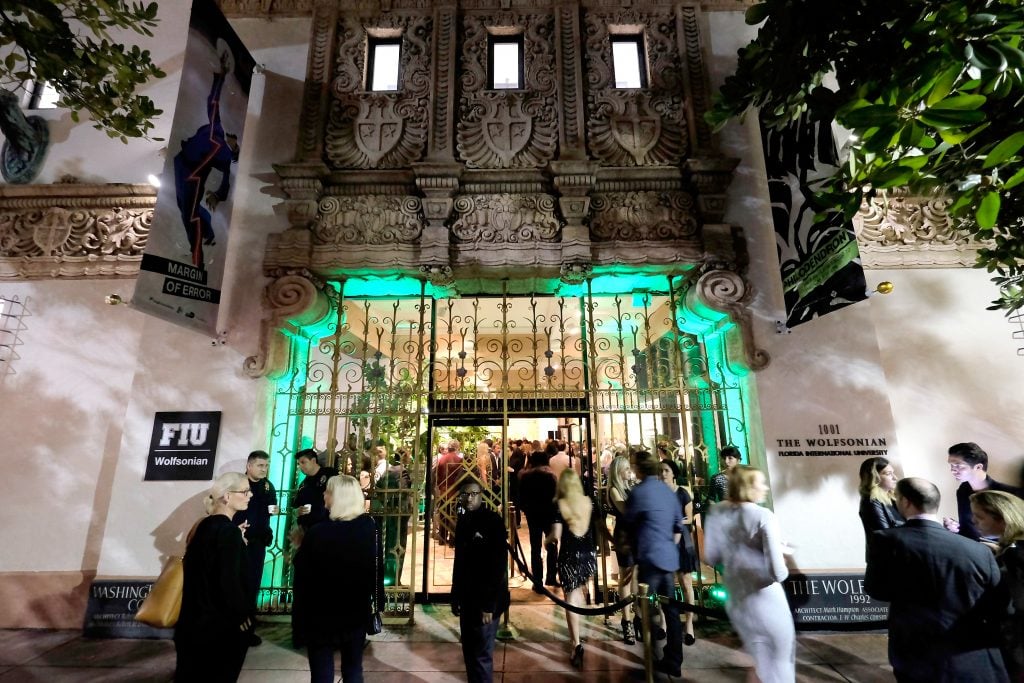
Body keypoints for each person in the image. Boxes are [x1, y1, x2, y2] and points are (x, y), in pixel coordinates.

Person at [866, 477, 1008, 683]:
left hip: (916, 652)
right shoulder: (979, 550)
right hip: (973, 654)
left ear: (905, 501)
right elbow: (999, 604)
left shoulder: (886, 540)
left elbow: (876, 589)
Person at [704, 466, 794, 683]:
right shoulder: (763, 516)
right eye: (759, 483)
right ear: (747, 487)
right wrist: (783, 556)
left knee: (761, 662)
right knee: (781, 661)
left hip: (738, 599)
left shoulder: (717, 511)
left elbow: (711, 556)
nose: (765, 488)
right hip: (766, 599)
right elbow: (777, 573)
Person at [292, 475, 384, 683]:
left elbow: (303, 579)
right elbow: (376, 568)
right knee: (353, 669)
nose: (323, 495)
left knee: (322, 672)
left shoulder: (318, 532)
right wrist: (377, 605)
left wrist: (300, 548)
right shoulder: (369, 527)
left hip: (321, 615)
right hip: (355, 612)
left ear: (337, 497)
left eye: (328, 492)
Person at [174, 472, 253, 682]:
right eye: (245, 491)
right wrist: (243, 617)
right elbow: (228, 582)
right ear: (227, 496)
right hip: (218, 629)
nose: (250, 495)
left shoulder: (204, 526)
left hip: (192, 623)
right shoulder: (228, 533)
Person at [173, 53, 240, 270]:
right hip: (180, 164)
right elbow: (213, 102)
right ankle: (208, 234)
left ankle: (197, 261)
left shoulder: (225, 154)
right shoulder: (216, 129)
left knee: (189, 216)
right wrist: (219, 78)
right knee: (183, 207)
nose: (229, 137)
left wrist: (219, 194)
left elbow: (228, 176)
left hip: (193, 177)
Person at [624, 450, 685, 678]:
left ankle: (651, 659)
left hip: (649, 558)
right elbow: (678, 524)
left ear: (639, 469)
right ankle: (674, 659)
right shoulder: (667, 492)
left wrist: (630, 556)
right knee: (671, 611)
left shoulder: (639, 493)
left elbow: (628, 524)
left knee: (648, 610)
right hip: (668, 558)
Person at [451, 480, 509, 683]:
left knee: (481, 654)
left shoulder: (492, 521)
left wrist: (489, 604)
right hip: (468, 597)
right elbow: (460, 562)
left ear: (481, 495)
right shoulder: (463, 521)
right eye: (465, 494)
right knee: (469, 651)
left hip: (485, 600)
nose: (469, 498)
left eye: (474, 494)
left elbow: (498, 565)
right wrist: (455, 594)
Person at [970, 490, 1024, 681]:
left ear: (1001, 518)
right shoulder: (1014, 548)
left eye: (979, 517)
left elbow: (1015, 606)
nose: (974, 522)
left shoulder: (1014, 555)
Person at [550, 469, 598, 668]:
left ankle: (576, 642)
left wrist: (546, 542)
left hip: (569, 554)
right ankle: (578, 636)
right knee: (578, 593)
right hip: (588, 554)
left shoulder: (560, 505)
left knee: (571, 597)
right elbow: (600, 527)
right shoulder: (589, 502)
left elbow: (556, 535)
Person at [231, 450, 279, 646]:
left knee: (252, 585)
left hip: (258, 542)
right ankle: (234, 627)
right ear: (249, 465)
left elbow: (273, 509)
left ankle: (247, 629)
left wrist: (275, 511)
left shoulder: (268, 486)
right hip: (238, 541)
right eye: (260, 465)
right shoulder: (238, 484)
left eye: (266, 465)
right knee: (236, 584)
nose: (264, 469)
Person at [944, 442, 1024, 540]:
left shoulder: (1009, 494)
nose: (952, 470)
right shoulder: (963, 491)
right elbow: (967, 529)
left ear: (978, 467)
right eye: (951, 465)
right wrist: (955, 528)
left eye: (958, 466)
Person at [660, 458, 698, 646]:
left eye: (666, 470)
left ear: (674, 473)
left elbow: (689, 518)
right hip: (664, 541)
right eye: (661, 471)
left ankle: (689, 623)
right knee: (665, 584)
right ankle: (664, 622)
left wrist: (672, 520)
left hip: (682, 541)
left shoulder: (683, 493)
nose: (663, 474)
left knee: (685, 583)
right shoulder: (658, 493)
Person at [607, 454, 638, 644]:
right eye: (626, 469)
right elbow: (627, 510)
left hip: (636, 535)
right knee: (625, 576)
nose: (630, 472)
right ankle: (627, 621)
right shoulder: (614, 490)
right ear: (618, 472)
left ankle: (637, 615)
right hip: (625, 536)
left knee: (635, 576)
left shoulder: (631, 488)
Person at [518, 450, 559, 591]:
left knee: (535, 548)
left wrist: (526, 509)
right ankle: (551, 577)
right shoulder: (551, 476)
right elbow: (556, 496)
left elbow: (521, 497)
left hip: (533, 515)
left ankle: (537, 580)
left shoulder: (526, 476)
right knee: (552, 546)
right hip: (549, 514)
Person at [857, 456, 903, 559]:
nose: (895, 478)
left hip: (896, 557)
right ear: (874, 477)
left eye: (893, 473)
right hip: (884, 562)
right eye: (888, 474)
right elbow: (885, 534)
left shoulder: (893, 498)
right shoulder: (871, 501)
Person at [293, 448, 338, 531]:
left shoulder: (329, 474)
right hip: (307, 529)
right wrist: (297, 511)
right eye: (299, 464)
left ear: (313, 461)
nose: (301, 466)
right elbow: (296, 504)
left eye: (303, 462)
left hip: (326, 527)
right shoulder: (304, 484)